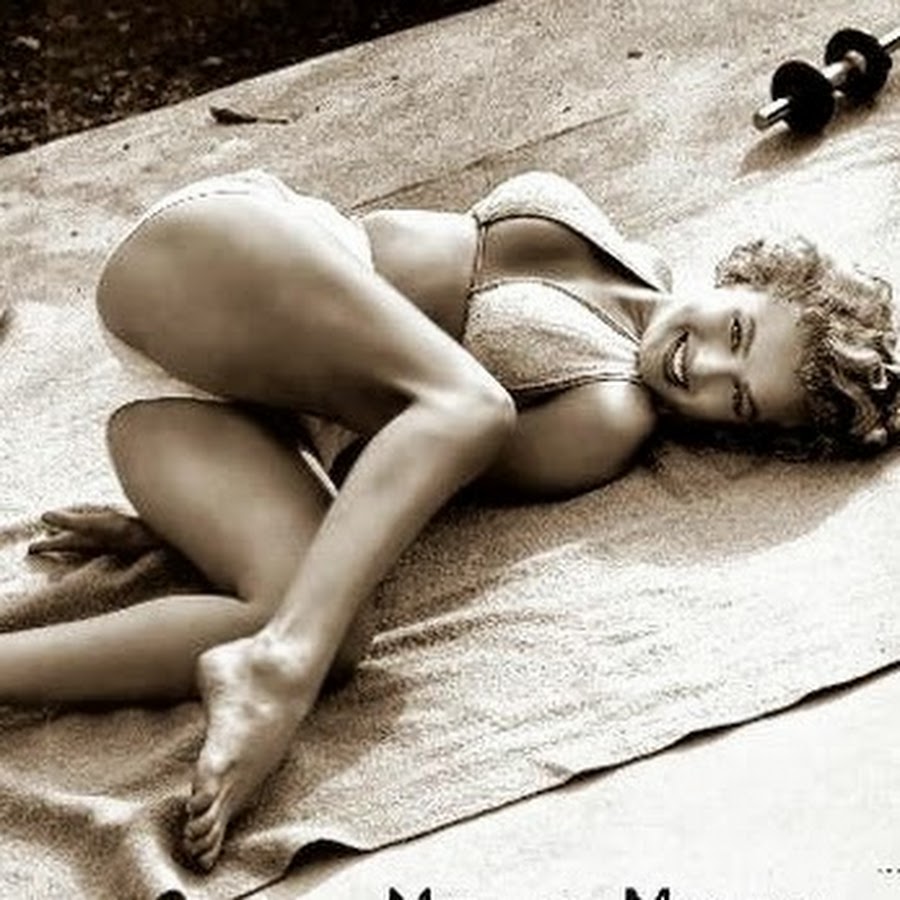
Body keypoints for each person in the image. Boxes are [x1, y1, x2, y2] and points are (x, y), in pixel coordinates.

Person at [23, 168, 898, 871]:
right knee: (468, 407)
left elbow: (379, 473)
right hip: (218, 252)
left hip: (196, 400)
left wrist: (200, 528)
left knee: (333, 628)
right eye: (736, 332)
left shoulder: (609, 419)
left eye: (735, 400)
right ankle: (278, 668)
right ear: (745, 280)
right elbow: (416, 413)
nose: (701, 366)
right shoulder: (627, 270)